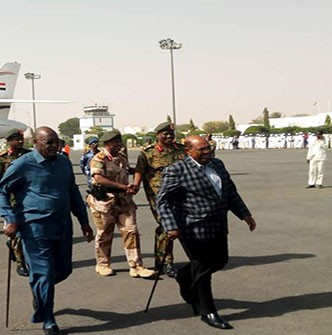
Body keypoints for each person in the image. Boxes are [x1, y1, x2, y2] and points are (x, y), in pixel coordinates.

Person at [0, 126, 93, 335]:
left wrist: (84, 222)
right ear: (36, 144)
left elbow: (73, 192)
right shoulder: (22, 164)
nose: (54, 146)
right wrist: (10, 218)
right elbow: (0, 190)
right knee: (45, 273)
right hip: (34, 227)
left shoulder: (64, 162)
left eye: (56, 141)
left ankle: (39, 289)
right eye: (49, 142)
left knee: (64, 270)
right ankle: (48, 317)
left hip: (62, 225)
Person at [156, 135, 256, 330]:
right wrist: (170, 226)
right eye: (201, 149)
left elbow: (230, 192)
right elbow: (163, 200)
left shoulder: (217, 164)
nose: (207, 152)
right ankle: (208, 311)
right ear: (188, 151)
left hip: (218, 223)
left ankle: (184, 275)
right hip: (193, 227)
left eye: (208, 148)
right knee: (202, 270)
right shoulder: (177, 170)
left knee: (220, 260)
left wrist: (244, 214)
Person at [87, 130, 156, 278]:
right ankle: (103, 264)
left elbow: (129, 170)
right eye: (116, 142)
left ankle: (136, 265)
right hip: (104, 202)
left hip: (124, 202)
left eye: (120, 142)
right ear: (107, 144)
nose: (119, 145)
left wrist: (138, 178)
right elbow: (98, 178)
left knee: (131, 231)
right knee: (105, 234)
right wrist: (124, 187)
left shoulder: (121, 157)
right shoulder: (99, 158)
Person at [133, 122, 185, 277]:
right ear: (157, 135)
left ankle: (191, 257)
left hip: (181, 194)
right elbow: (139, 171)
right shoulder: (148, 153)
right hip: (159, 196)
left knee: (183, 225)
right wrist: (135, 185)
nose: (169, 136)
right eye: (165, 134)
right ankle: (165, 262)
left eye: (171, 134)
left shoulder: (181, 151)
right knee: (165, 225)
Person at [0, 129, 31, 277]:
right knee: (16, 233)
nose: (20, 141)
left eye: (21, 138)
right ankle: (20, 263)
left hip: (29, 199)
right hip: (10, 201)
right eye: (16, 139)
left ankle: (18, 251)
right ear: (9, 141)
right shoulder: (0, 158)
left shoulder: (29, 155)